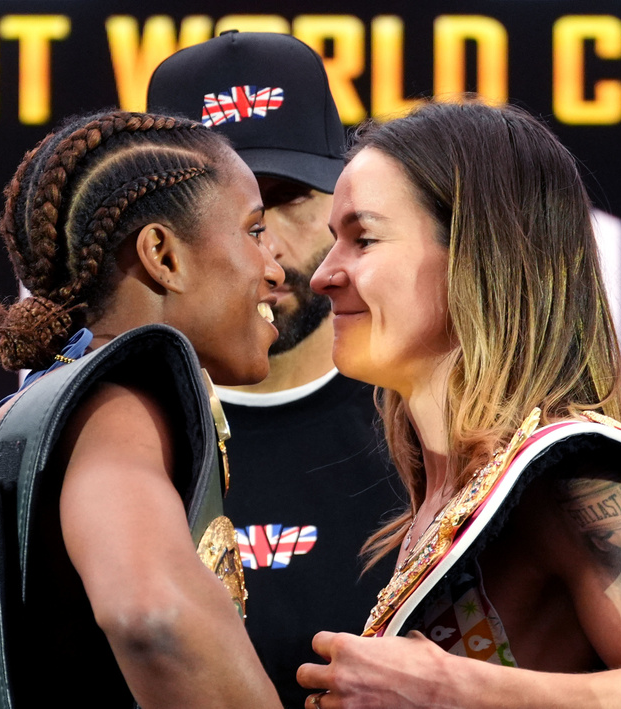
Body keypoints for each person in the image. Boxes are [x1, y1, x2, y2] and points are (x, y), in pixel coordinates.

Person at [297, 100, 621, 708]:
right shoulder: (449, 494)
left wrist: (444, 688)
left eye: (362, 239)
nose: (323, 275)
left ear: (476, 259)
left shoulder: (567, 482)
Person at [0, 110, 285, 708]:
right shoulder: (118, 407)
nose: (274, 266)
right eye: (255, 229)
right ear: (162, 255)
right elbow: (152, 615)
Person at [146, 31, 401, 707]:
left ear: (343, 200)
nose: (269, 250)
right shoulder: (107, 436)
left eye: (286, 198)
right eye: (235, 213)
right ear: (159, 240)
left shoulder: (428, 425)